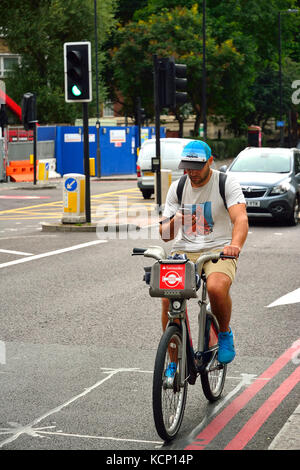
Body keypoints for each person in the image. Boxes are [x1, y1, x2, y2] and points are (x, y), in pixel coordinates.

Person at [159, 140, 248, 367]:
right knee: (168, 300)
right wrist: (177, 219)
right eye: (187, 167)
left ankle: (225, 333)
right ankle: (173, 364)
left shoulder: (225, 183)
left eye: (197, 167)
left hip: (218, 248)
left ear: (210, 161)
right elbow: (165, 235)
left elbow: (240, 219)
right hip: (184, 250)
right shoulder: (178, 187)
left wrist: (235, 246)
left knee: (216, 288)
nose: (192, 172)